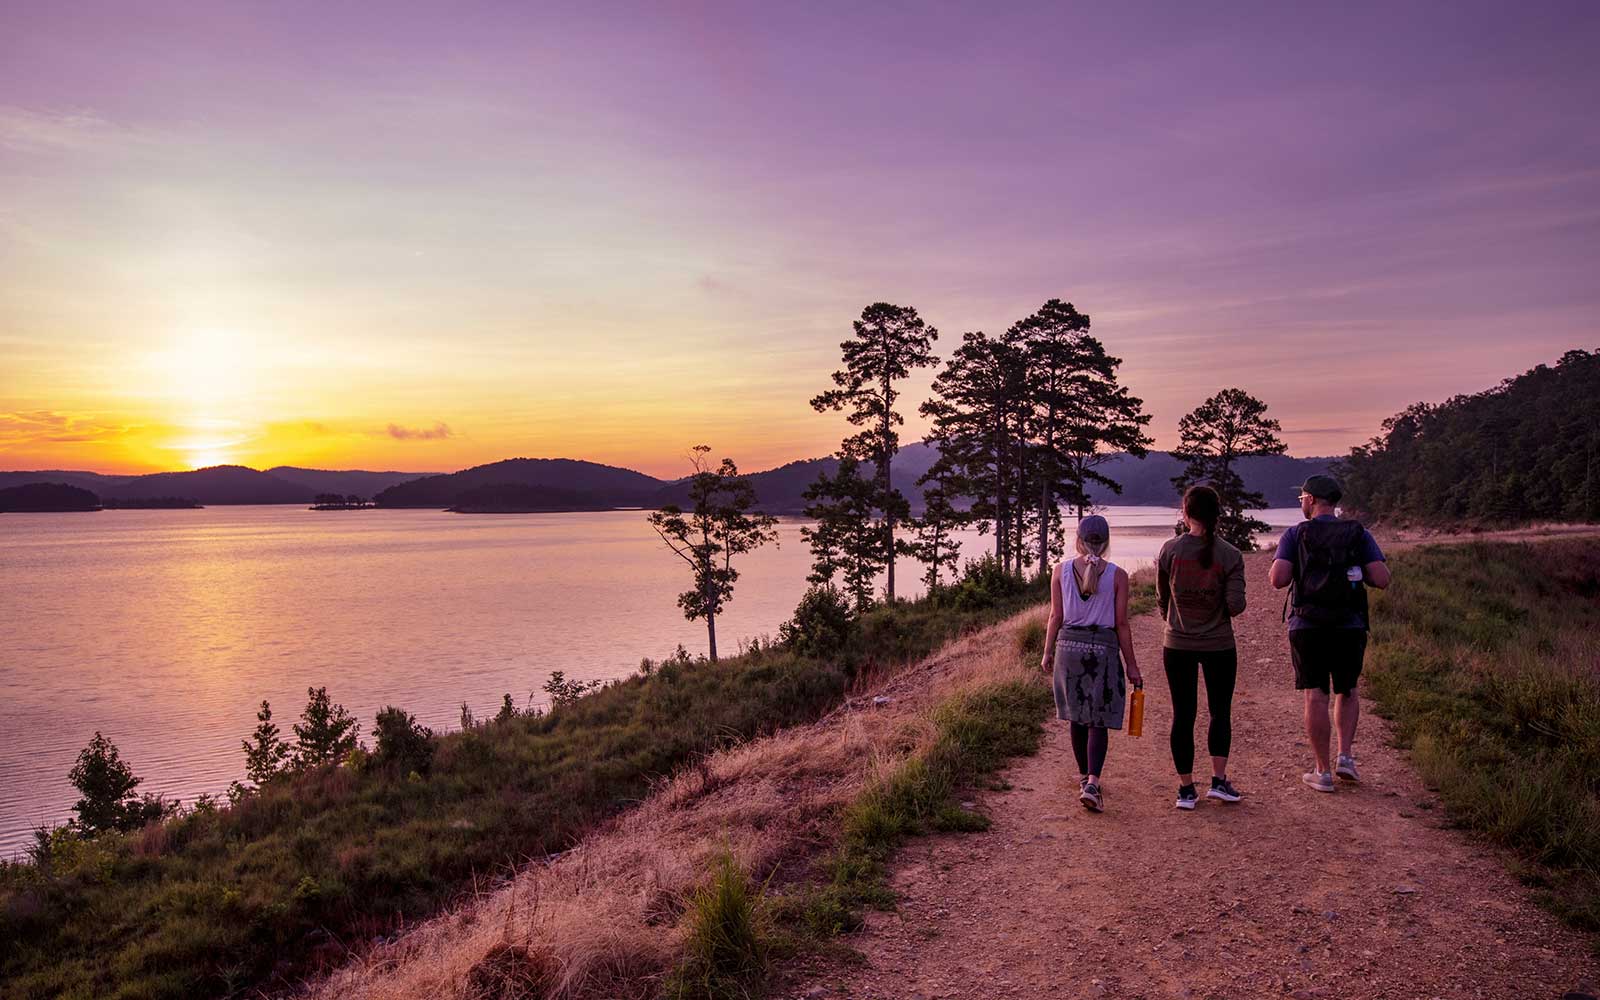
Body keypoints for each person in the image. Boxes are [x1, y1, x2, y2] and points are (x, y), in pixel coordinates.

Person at [1269, 474, 1390, 793]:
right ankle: (1346, 758)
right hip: (1349, 624)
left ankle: (1322, 771)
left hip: (1308, 626)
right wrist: (1352, 571)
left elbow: (1278, 579)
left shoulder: (1296, 534)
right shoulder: (1357, 533)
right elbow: (1381, 577)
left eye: (1301, 500)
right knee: (1347, 690)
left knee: (1316, 695)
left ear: (1309, 500)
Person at [1040, 514, 1143, 812]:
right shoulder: (1118, 575)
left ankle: (1084, 776)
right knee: (1097, 719)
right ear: (1107, 542)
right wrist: (1132, 665)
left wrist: (1048, 652)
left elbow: (1055, 617)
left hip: (1068, 649)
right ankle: (1093, 783)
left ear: (1078, 540)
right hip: (1103, 650)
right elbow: (1122, 623)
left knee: (1076, 716)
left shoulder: (1059, 571)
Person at [1157, 485, 1247, 810]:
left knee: (1183, 715)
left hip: (1177, 644)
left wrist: (1178, 620)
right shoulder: (1231, 555)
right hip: (1219, 645)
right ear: (1217, 514)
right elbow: (1236, 606)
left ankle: (1185, 790)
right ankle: (1219, 782)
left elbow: (1162, 599)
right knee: (1219, 713)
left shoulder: (1170, 551)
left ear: (1186, 513)